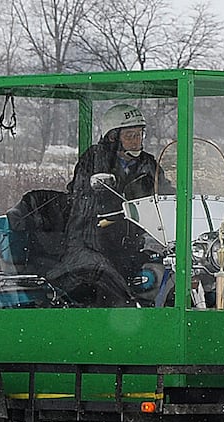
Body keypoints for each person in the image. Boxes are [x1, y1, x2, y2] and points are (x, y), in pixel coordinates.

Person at [51, 103, 169, 306]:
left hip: (131, 245)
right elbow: (84, 201)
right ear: (113, 137)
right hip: (90, 245)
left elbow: (167, 195)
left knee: (158, 278)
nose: (136, 141)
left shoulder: (148, 163)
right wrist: (110, 203)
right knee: (117, 294)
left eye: (140, 134)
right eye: (130, 135)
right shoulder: (95, 159)